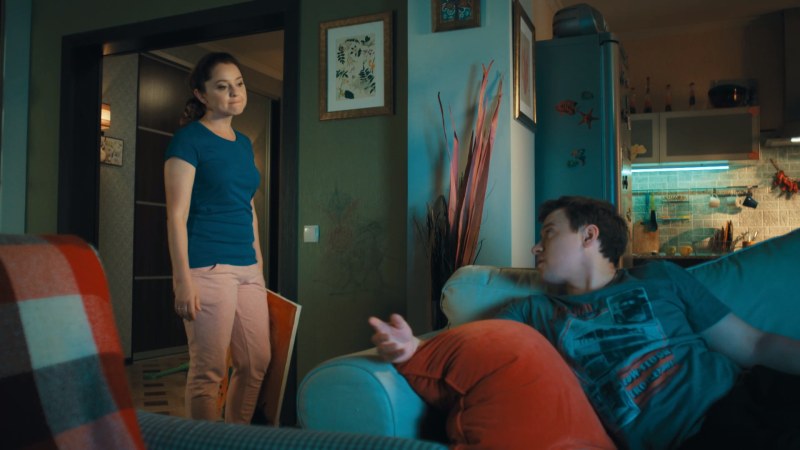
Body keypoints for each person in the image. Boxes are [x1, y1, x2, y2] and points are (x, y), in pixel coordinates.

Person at [369, 196, 800, 449]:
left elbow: (754, 345)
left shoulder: (660, 277)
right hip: (689, 441)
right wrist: (414, 349)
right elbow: (469, 348)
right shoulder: (533, 313)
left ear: (590, 235)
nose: (536, 247)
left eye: (549, 233)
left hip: (749, 399)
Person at [165, 52, 270, 424]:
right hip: (208, 266)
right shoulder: (188, 141)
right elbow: (176, 215)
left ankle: (234, 438)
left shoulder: (243, 143)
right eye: (223, 87)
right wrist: (182, 280)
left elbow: (248, 205)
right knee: (208, 372)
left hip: (247, 268)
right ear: (202, 95)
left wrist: (258, 262)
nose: (235, 93)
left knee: (256, 361)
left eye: (239, 84)